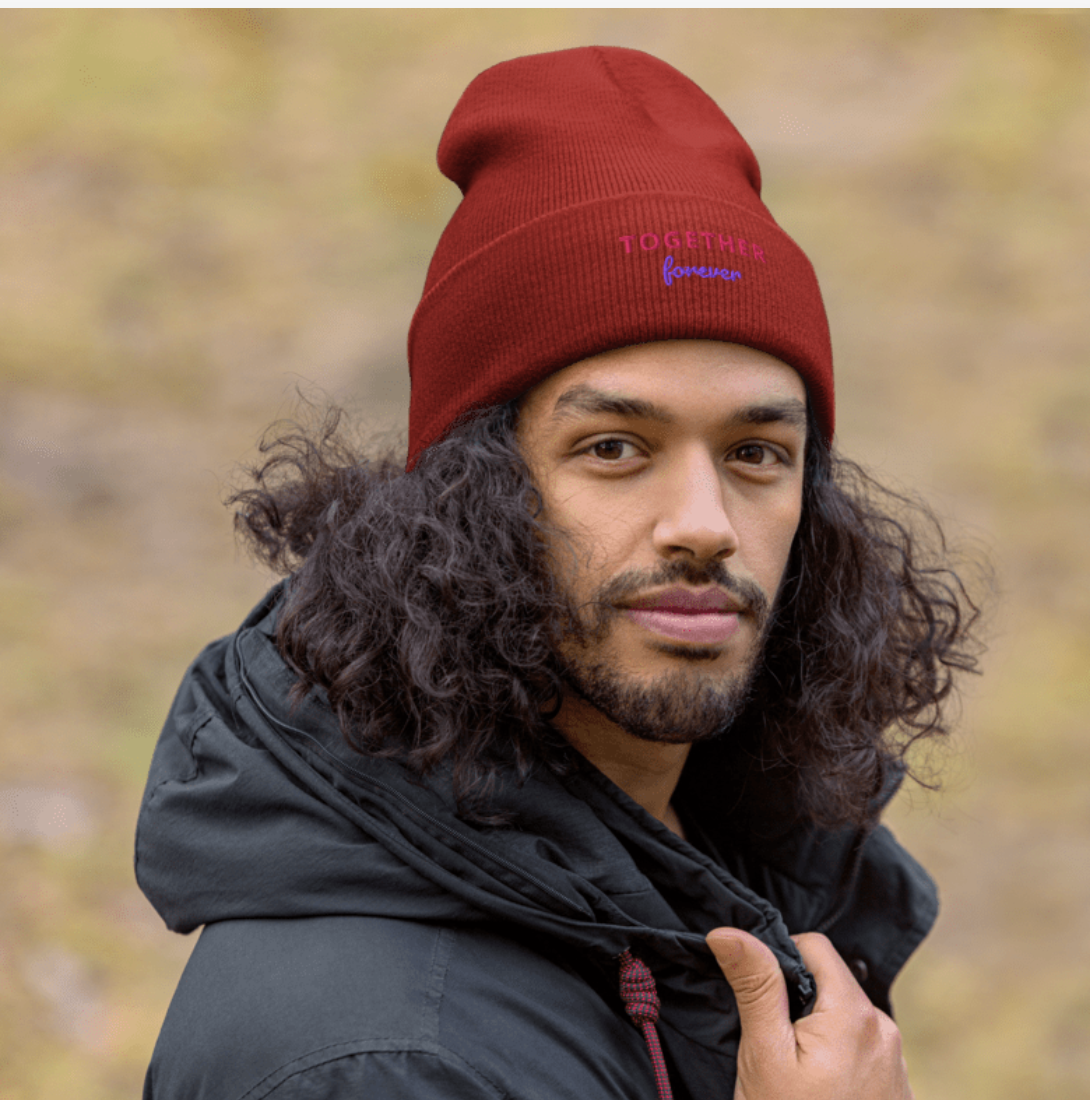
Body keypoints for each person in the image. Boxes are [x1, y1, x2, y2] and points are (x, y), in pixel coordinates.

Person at [137, 46, 983, 1100]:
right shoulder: (386, 1064)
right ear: (468, 496)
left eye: (755, 453)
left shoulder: (728, 852)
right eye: (614, 448)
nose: (705, 524)